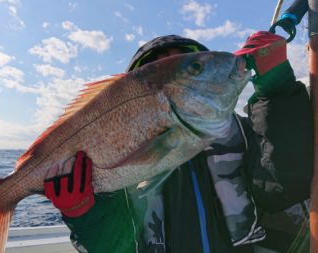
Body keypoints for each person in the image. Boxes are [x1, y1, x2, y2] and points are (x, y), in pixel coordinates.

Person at [43, 10, 313, 253]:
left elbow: (282, 190)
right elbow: (115, 246)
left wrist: (277, 91)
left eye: (193, 66)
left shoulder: (242, 132)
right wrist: (82, 213)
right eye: (194, 69)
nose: (179, 88)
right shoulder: (115, 156)